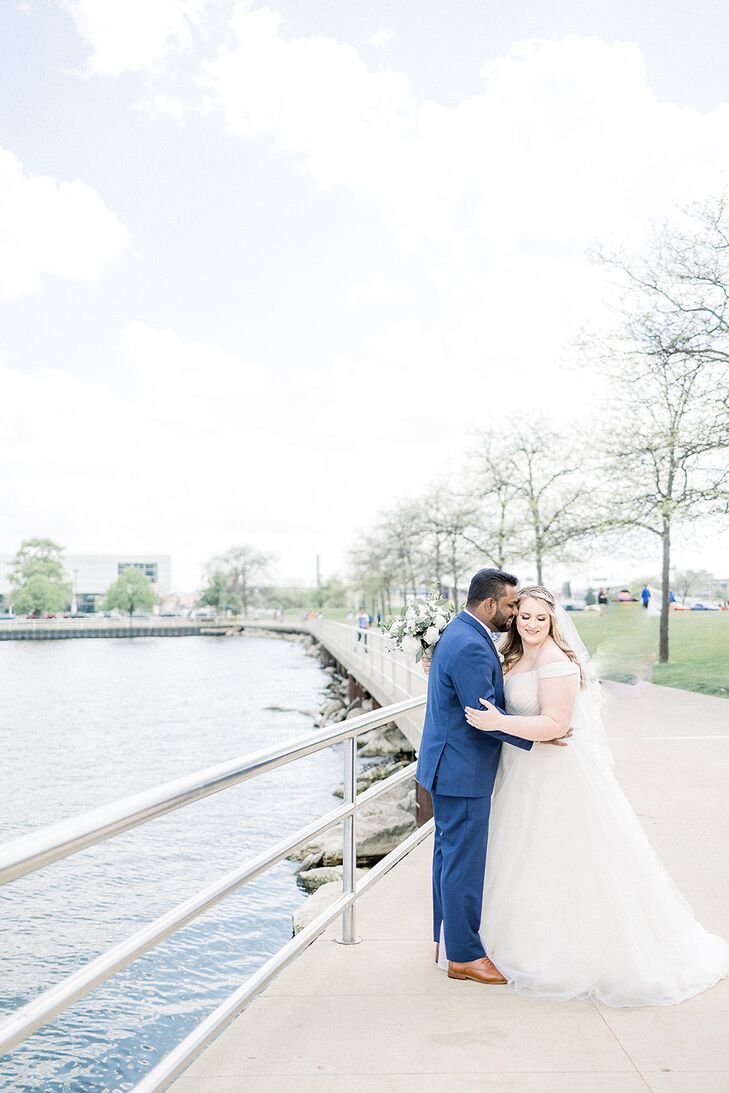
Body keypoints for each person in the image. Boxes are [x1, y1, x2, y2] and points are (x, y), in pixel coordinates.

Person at [458, 585, 729, 1005]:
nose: (530, 624)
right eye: (524, 616)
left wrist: (499, 722)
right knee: (524, 855)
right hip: (522, 773)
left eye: (540, 618)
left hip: (556, 775)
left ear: (553, 621)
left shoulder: (557, 663)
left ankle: (576, 951)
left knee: (569, 860)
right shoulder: (510, 655)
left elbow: (556, 724)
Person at [415, 569, 570, 985]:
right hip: (462, 769)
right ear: (490, 606)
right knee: (462, 863)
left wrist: (537, 728)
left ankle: (445, 939)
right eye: (511, 605)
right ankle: (464, 956)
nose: (515, 612)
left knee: (448, 857)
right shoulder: (471, 645)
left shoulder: (462, 632)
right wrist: (538, 735)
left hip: (448, 763)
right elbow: (480, 715)